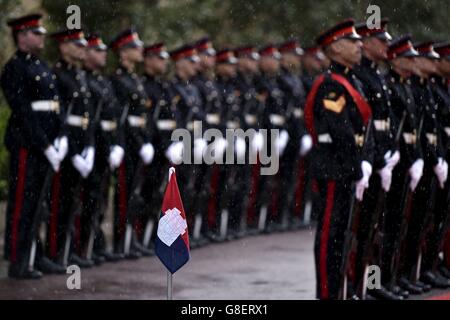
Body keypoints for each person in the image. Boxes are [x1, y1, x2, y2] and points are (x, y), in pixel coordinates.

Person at [304, 19, 374, 300]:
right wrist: (358, 167)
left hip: (346, 168)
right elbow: (341, 131)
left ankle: (336, 292)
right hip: (334, 168)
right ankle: (326, 294)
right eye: (352, 42)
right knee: (329, 236)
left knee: (342, 234)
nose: (360, 45)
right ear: (334, 50)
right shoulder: (331, 86)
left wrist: (363, 163)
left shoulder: (350, 81)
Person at [1, 14, 66, 279]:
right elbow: (23, 112)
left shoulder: (42, 65)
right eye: (35, 33)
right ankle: (18, 260)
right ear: (22, 36)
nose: (41, 37)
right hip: (28, 144)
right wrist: (45, 144)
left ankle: (35, 256)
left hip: (48, 142)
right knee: (23, 205)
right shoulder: (14, 67)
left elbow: (56, 105)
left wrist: (60, 138)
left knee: (41, 204)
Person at [352, 20, 403, 300]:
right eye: (381, 41)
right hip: (369, 160)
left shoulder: (377, 76)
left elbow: (387, 121)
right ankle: (355, 288)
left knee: (377, 229)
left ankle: (372, 283)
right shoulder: (360, 76)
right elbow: (366, 123)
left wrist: (391, 151)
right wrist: (372, 158)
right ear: (368, 43)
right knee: (360, 230)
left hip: (382, 158)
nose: (386, 46)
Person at [48, 28, 96, 268]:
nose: (82, 49)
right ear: (63, 47)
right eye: (77, 45)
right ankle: (55, 253)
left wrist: (89, 146)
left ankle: (68, 252)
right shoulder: (57, 75)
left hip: (81, 142)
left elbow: (86, 118)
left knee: (74, 202)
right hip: (66, 146)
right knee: (59, 202)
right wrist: (74, 150)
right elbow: (61, 116)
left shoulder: (79, 76)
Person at [110, 28, 155, 259]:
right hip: (127, 143)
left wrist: (146, 140)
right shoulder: (118, 80)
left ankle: (131, 238)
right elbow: (122, 118)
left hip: (138, 143)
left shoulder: (134, 80)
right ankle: (121, 241)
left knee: (135, 193)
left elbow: (142, 118)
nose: (140, 51)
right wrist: (134, 142)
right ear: (124, 53)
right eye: (135, 48)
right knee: (124, 193)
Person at [81, 33, 125, 263]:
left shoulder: (103, 82)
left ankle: (95, 243)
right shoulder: (84, 80)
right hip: (93, 146)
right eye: (97, 50)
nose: (103, 54)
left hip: (106, 146)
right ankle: (83, 246)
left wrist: (117, 144)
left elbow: (115, 118)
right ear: (85, 53)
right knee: (86, 199)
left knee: (99, 200)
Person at [141, 42, 178, 251]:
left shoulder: (164, 87)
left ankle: (154, 235)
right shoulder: (144, 86)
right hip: (151, 148)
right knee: (145, 193)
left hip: (164, 148)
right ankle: (136, 237)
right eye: (160, 58)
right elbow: (148, 122)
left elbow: (172, 120)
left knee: (159, 194)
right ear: (148, 60)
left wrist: (174, 141)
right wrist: (162, 144)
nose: (164, 62)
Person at [277, 40, 312, 229]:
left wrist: (304, 133)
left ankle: (287, 215)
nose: (297, 59)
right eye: (293, 55)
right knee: (278, 179)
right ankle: (278, 217)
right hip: (282, 134)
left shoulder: (295, 79)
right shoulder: (280, 80)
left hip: (295, 134)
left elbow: (300, 111)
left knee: (291, 178)